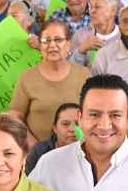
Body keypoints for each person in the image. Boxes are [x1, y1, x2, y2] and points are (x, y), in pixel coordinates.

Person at [10, 19, 90, 148]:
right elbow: (15, 116)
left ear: (68, 45)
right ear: (40, 46)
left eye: (58, 40)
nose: (52, 45)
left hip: (79, 152)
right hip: (38, 155)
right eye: (46, 40)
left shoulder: (84, 75)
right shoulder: (27, 78)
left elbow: (93, 114)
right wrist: (35, 148)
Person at [25, 102, 81, 173]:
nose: (72, 129)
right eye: (65, 124)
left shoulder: (93, 152)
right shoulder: (39, 152)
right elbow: (29, 181)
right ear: (55, 128)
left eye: (77, 124)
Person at [70, 0, 120, 67]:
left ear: (113, 11)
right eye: (91, 7)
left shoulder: (124, 37)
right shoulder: (80, 35)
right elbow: (69, 69)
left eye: (97, 7)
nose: (92, 11)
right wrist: (81, 50)